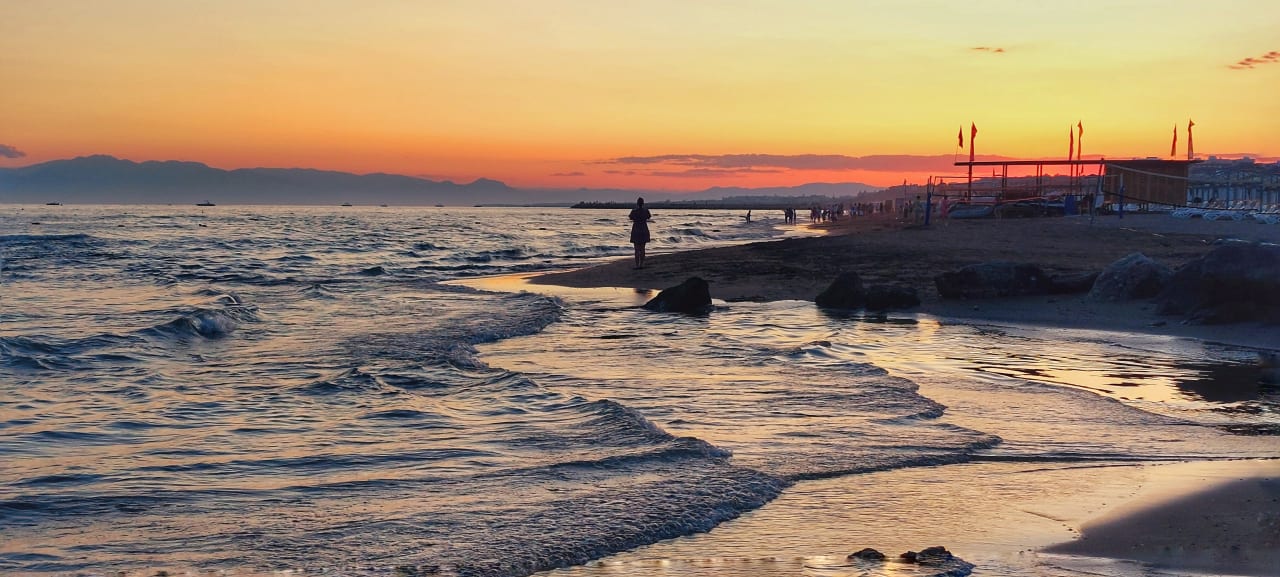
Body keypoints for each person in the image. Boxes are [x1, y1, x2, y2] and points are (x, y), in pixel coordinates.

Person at [628, 197, 652, 269]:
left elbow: (630, 217)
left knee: (636, 249)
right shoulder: (646, 211)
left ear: (637, 203)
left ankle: (637, 265)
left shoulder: (634, 211)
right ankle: (641, 264)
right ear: (643, 203)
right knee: (642, 249)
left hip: (636, 230)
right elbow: (649, 217)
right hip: (644, 230)